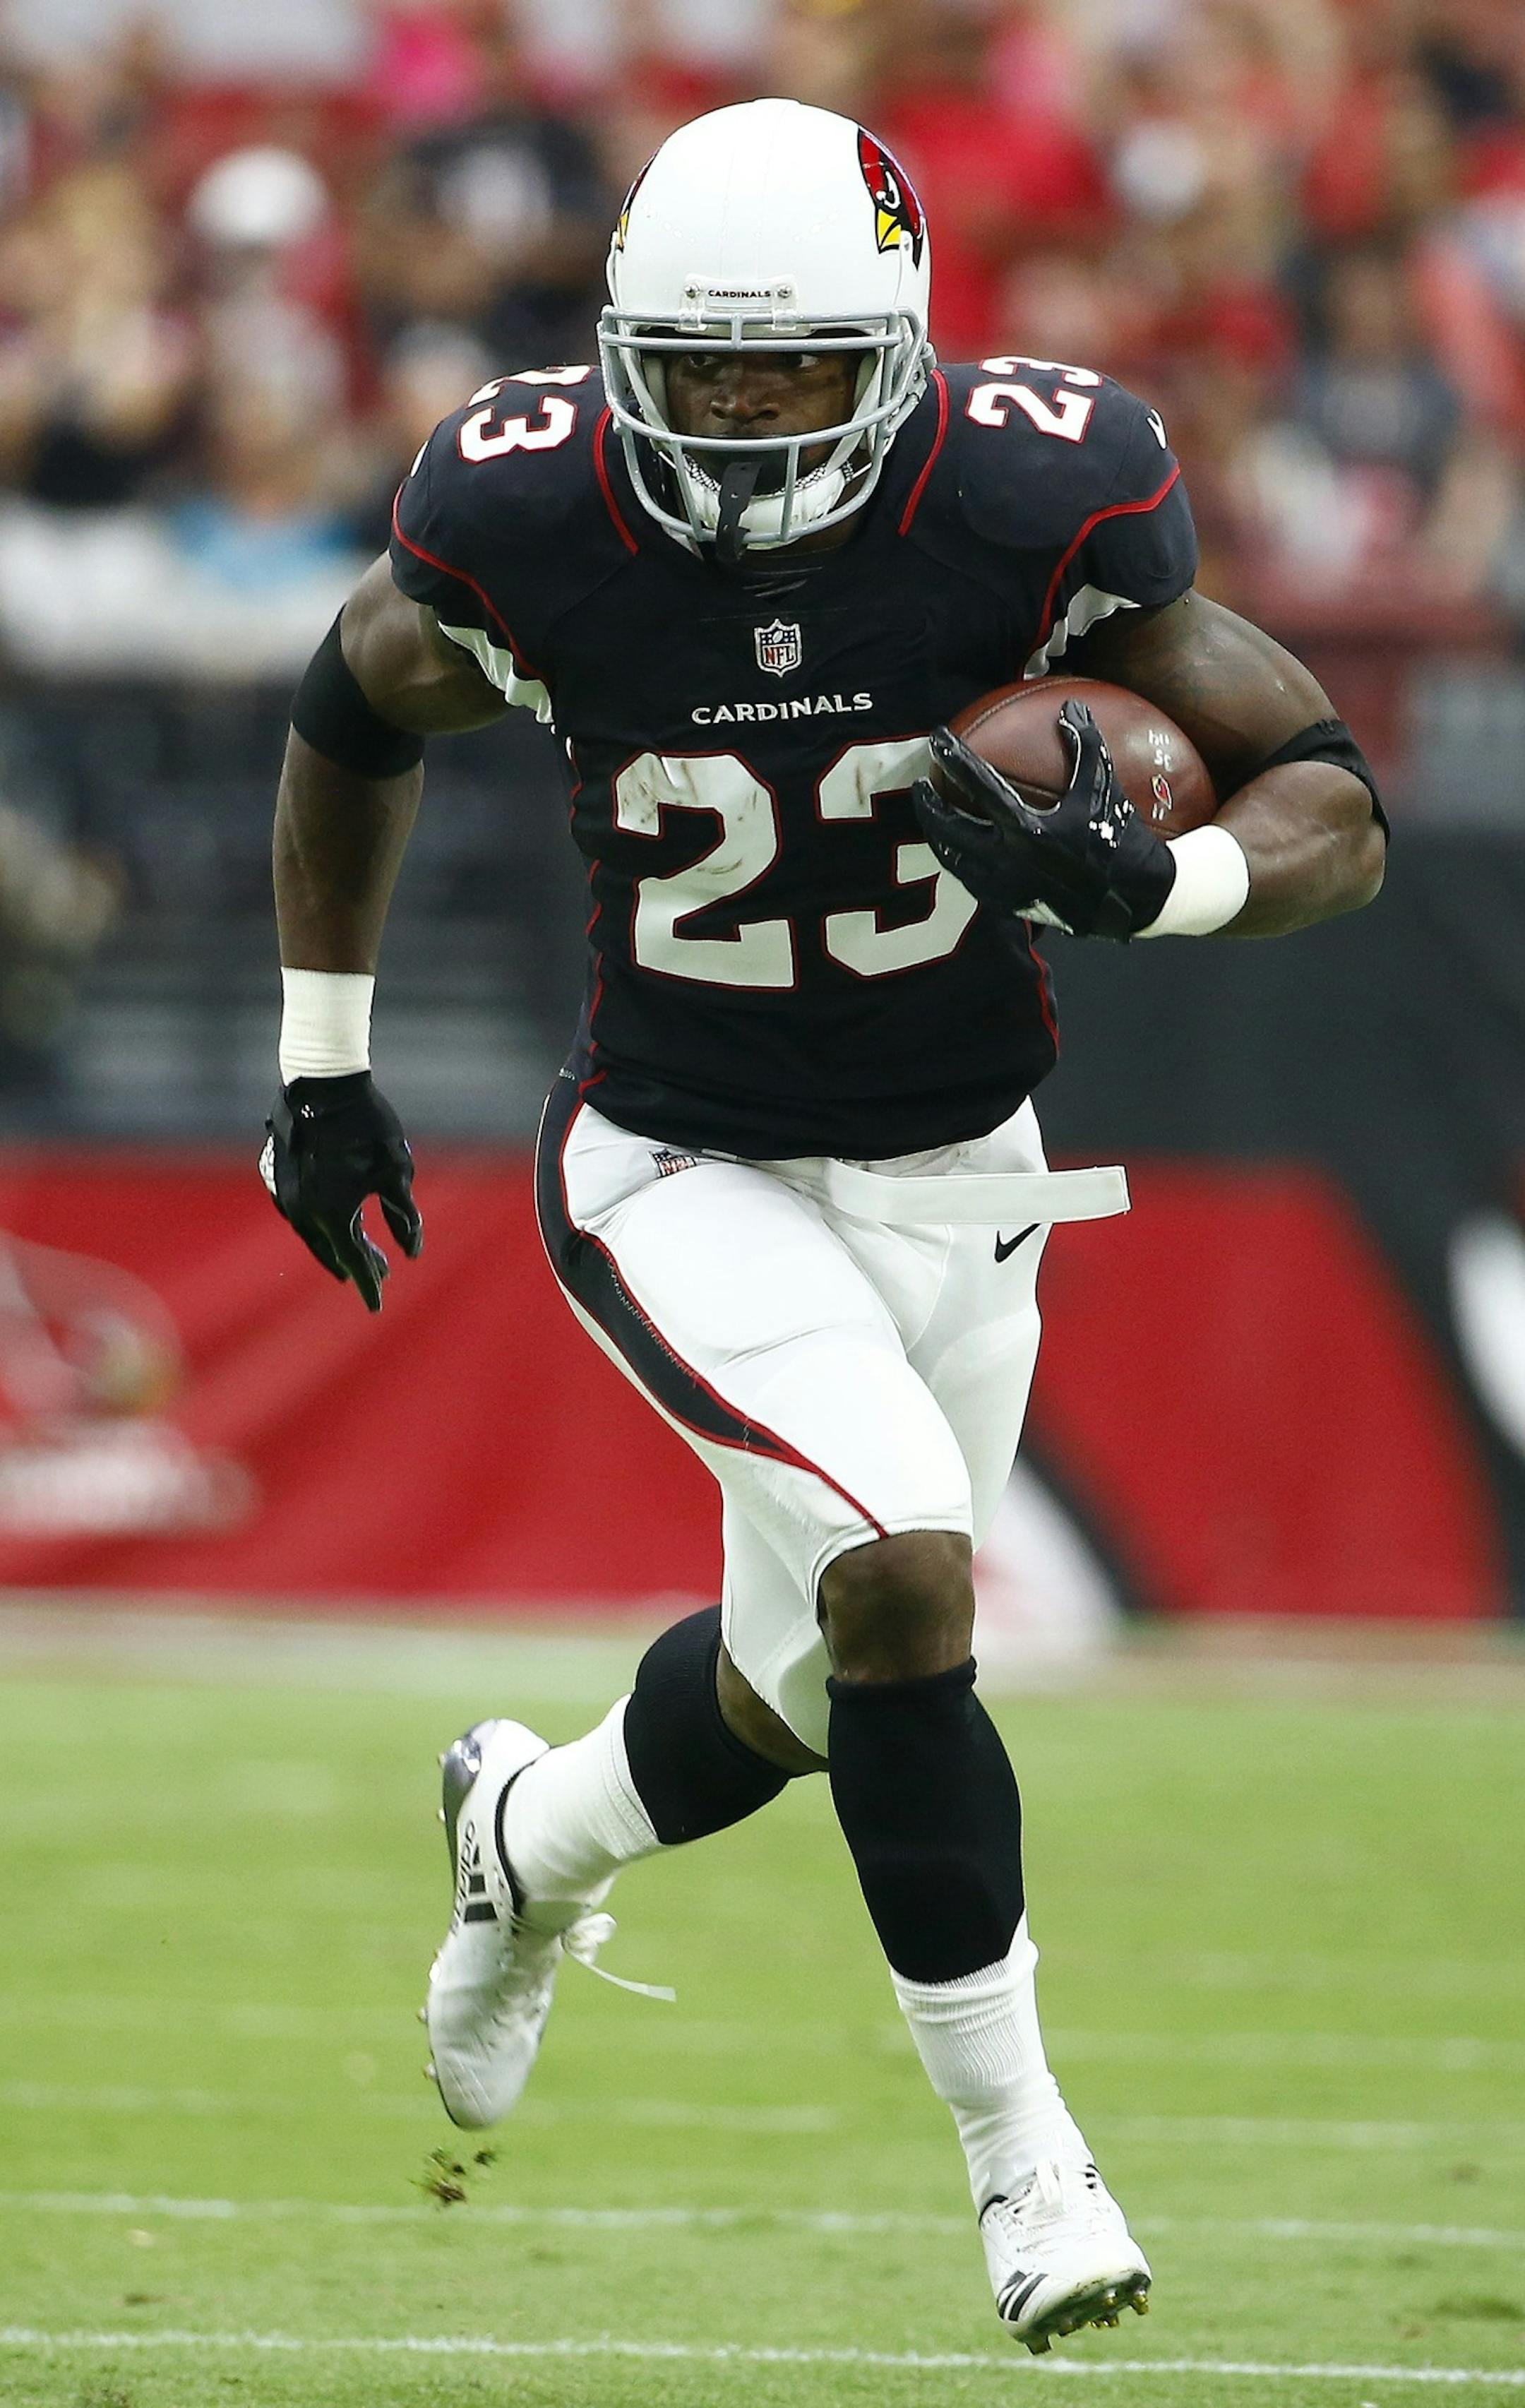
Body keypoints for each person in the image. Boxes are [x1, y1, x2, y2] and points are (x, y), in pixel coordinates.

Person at [260, 98, 1386, 2354]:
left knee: (804, 1689)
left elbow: (1330, 795)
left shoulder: (1026, 494)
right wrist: (318, 1055)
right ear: (618, 348)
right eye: (698, 369)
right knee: (902, 1568)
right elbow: (353, 700)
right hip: (679, 1159)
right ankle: (1027, 2164)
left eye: (788, 374)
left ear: (891, 356)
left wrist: (1156, 878)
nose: (740, 418)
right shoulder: (528, 511)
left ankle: (532, 1836)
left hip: (966, 1172)